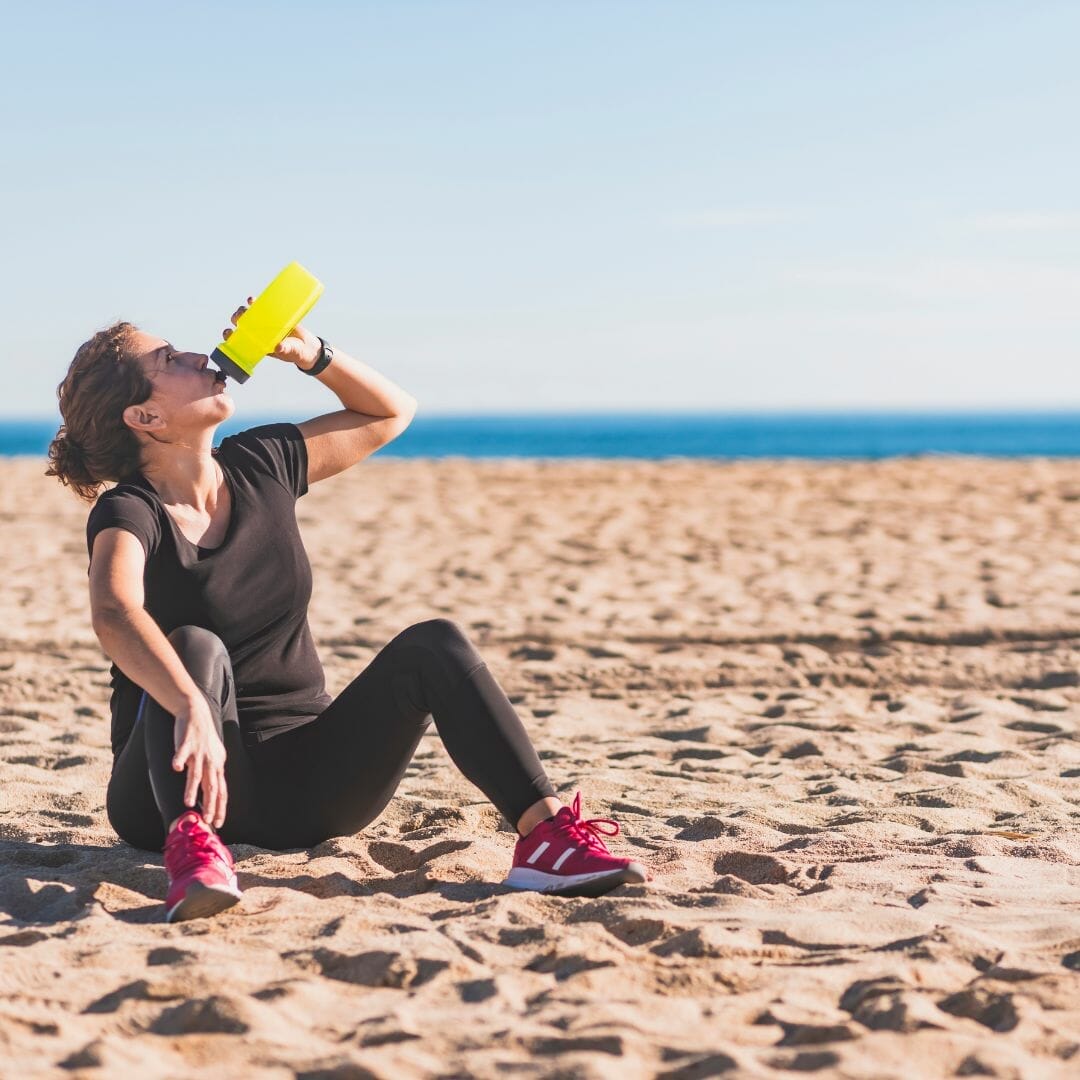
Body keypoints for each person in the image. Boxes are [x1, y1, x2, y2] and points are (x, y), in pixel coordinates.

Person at [45, 301, 649, 922]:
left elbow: (390, 412)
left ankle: (546, 838)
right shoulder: (129, 510)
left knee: (434, 644)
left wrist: (313, 356)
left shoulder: (263, 463)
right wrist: (189, 702)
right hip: (162, 789)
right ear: (144, 416)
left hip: (305, 788)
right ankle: (193, 852)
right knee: (194, 645)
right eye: (170, 359)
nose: (201, 356)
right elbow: (114, 611)